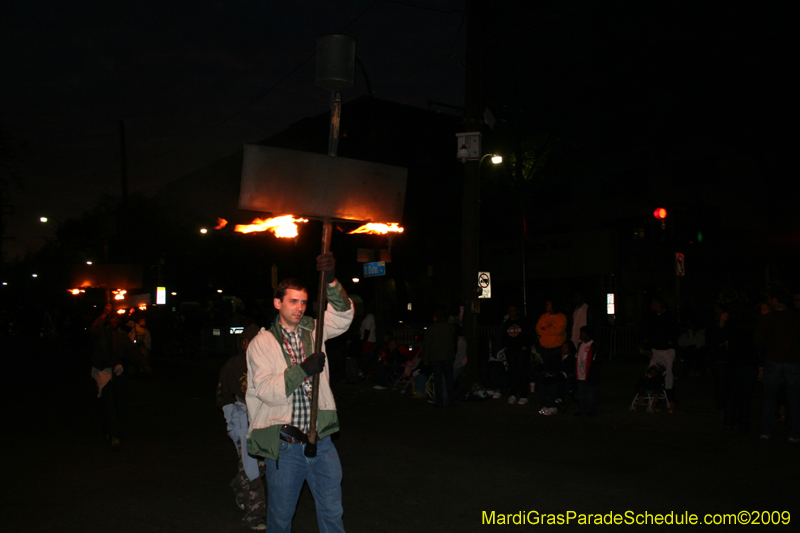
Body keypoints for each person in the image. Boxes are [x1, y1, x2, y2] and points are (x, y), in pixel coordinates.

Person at [245, 252, 354, 533]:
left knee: (333, 512)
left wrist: (330, 281)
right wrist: (303, 369)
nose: (300, 307)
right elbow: (267, 390)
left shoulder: (314, 330)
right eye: (293, 301)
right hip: (286, 446)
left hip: (322, 442)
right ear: (277, 303)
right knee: (281, 518)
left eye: (304, 302)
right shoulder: (263, 343)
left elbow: (343, 315)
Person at [216, 323, 266, 530]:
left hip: (265, 420)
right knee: (250, 465)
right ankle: (255, 514)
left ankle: (239, 484)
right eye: (244, 342)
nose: (247, 346)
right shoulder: (233, 365)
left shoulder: (266, 363)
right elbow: (223, 396)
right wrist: (233, 418)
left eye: (251, 342)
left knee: (261, 465)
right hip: (243, 419)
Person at [89, 304, 150, 450]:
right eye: (112, 318)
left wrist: (144, 364)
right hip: (103, 373)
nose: (115, 321)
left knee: (115, 404)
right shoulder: (101, 333)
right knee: (108, 403)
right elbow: (92, 330)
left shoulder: (122, 337)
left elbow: (132, 352)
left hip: (116, 374)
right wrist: (104, 314)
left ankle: (112, 430)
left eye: (117, 318)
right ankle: (112, 433)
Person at [754, 288, 800, 443]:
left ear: (775, 300)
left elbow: (758, 340)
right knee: (793, 399)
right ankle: (794, 433)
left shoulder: (769, 318)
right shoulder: (795, 317)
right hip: (793, 361)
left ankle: (766, 431)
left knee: (769, 397)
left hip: (773, 360)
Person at [641, 296, 679, 408]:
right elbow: (646, 330)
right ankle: (652, 393)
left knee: (668, 373)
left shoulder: (669, 316)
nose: (652, 307)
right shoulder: (651, 317)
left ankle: (669, 396)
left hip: (667, 350)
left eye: (654, 304)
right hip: (655, 349)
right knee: (651, 370)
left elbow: (675, 329)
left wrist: (671, 341)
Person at [422, 310, 457, 407]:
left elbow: (427, 345)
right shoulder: (449, 327)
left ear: (435, 318)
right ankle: (451, 400)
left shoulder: (431, 329)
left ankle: (439, 401)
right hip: (448, 356)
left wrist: (425, 358)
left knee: (438, 380)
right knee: (449, 379)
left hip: (436, 357)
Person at [535, 300, 567, 400]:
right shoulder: (544, 317)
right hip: (545, 348)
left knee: (557, 372)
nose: (546, 306)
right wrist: (548, 330)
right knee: (547, 373)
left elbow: (559, 331)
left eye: (548, 304)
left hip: (557, 348)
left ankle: (559, 395)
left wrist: (546, 330)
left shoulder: (562, 317)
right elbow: (538, 329)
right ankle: (549, 394)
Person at [536, 340, 576, 415]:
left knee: (552, 386)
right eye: (562, 347)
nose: (563, 349)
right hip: (554, 377)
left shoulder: (572, 358)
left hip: (565, 380)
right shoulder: (558, 357)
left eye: (565, 347)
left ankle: (552, 406)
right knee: (540, 384)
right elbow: (551, 366)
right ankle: (544, 405)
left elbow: (569, 371)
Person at [503, 304, 532, 405]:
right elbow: (504, 335)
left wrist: (525, 346)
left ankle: (524, 395)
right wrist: (505, 347)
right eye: (510, 311)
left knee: (522, 372)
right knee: (512, 373)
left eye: (513, 310)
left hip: (521, 352)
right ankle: (513, 394)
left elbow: (530, 335)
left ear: (518, 311)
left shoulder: (524, 322)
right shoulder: (507, 323)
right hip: (511, 352)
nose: (511, 313)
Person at [575, 326, 604, 416]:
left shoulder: (594, 346)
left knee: (591, 394)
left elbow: (595, 362)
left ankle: (592, 410)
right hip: (581, 374)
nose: (580, 335)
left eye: (582, 333)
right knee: (582, 394)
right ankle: (583, 410)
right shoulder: (580, 345)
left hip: (590, 374)